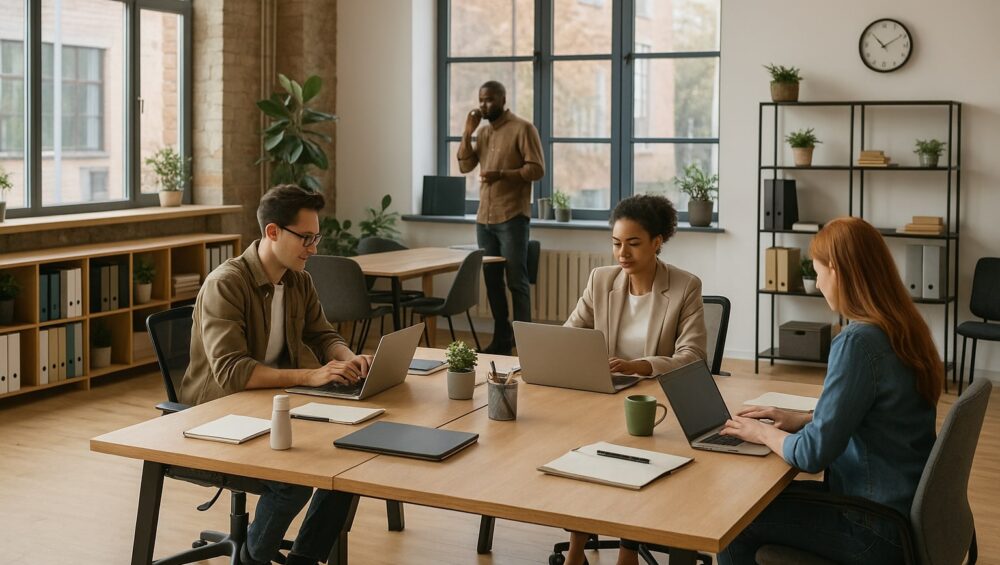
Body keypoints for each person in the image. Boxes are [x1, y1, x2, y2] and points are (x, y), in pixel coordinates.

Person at [717, 217, 943, 564]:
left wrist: (760, 432)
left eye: (818, 270)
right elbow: (878, 414)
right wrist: (805, 419)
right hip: (902, 518)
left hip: (871, 529)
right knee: (756, 503)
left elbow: (811, 456)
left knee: (736, 519)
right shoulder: (905, 328)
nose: (818, 282)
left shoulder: (857, 342)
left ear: (836, 270)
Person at [179, 184, 373, 565]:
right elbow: (232, 372)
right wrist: (311, 377)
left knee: (347, 464)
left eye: (316, 238)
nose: (313, 249)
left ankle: (303, 559)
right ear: (272, 231)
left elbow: (323, 335)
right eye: (305, 238)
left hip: (272, 406)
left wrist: (349, 359)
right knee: (292, 482)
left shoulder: (299, 280)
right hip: (219, 416)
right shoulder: (226, 284)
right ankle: (252, 557)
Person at [562, 194, 708, 565]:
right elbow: (570, 335)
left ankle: (628, 549)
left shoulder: (685, 286)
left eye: (633, 243)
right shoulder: (601, 280)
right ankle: (577, 549)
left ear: (657, 242)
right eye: (616, 243)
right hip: (603, 397)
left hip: (655, 403)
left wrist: (639, 366)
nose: (622, 253)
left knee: (634, 453)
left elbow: (693, 357)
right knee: (576, 449)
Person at [457, 80, 544, 355]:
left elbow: (537, 169)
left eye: (490, 99)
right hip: (484, 219)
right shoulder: (482, 133)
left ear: (503, 99)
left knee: (517, 281)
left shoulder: (523, 128)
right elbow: (464, 165)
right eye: (481, 100)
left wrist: (502, 175)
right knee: (492, 281)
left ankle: (527, 345)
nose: (484, 105)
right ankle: (502, 340)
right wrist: (467, 132)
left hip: (512, 216)